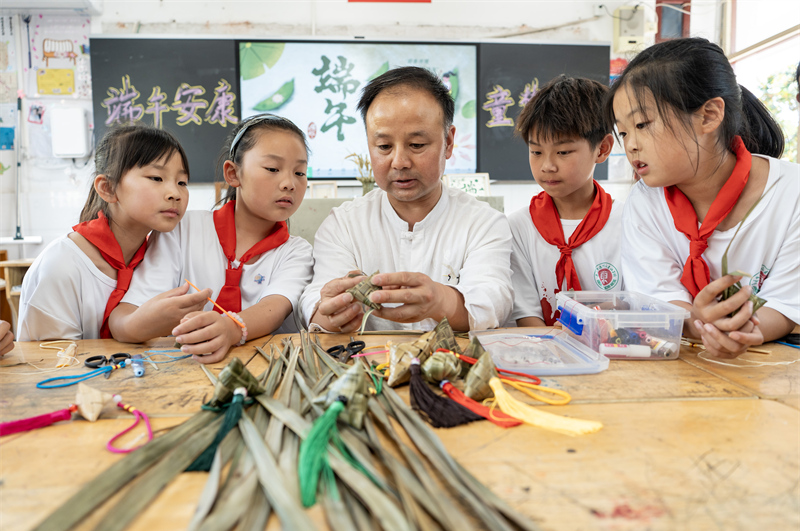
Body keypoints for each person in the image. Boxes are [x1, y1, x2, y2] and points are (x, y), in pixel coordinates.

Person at [607, 37, 798, 359]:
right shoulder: (645, 202)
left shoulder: (791, 192)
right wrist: (699, 325)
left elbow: (787, 301)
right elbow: (657, 295)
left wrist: (746, 330)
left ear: (708, 115)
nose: (630, 145)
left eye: (642, 124)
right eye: (623, 132)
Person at [300, 66, 513, 333]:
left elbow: (494, 300)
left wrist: (440, 301)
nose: (399, 162)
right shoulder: (343, 224)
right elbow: (315, 300)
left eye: (416, 145)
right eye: (384, 147)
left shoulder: (484, 223)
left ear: (448, 142)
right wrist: (326, 314)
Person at [111, 114, 313, 363]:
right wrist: (141, 324)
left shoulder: (297, 251)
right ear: (233, 173)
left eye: (300, 173)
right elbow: (123, 318)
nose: (289, 183)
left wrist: (231, 328)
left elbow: (275, 306)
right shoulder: (182, 229)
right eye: (272, 169)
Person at [17, 124, 199, 340]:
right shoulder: (61, 266)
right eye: (156, 178)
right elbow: (48, 363)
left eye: (182, 182)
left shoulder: (161, 259)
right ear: (108, 188)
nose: (175, 193)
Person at [507, 75, 620, 327]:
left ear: (602, 149)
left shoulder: (627, 222)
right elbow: (526, 314)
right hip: (542, 356)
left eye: (563, 152)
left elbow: (632, 304)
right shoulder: (518, 227)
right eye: (536, 152)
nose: (547, 166)